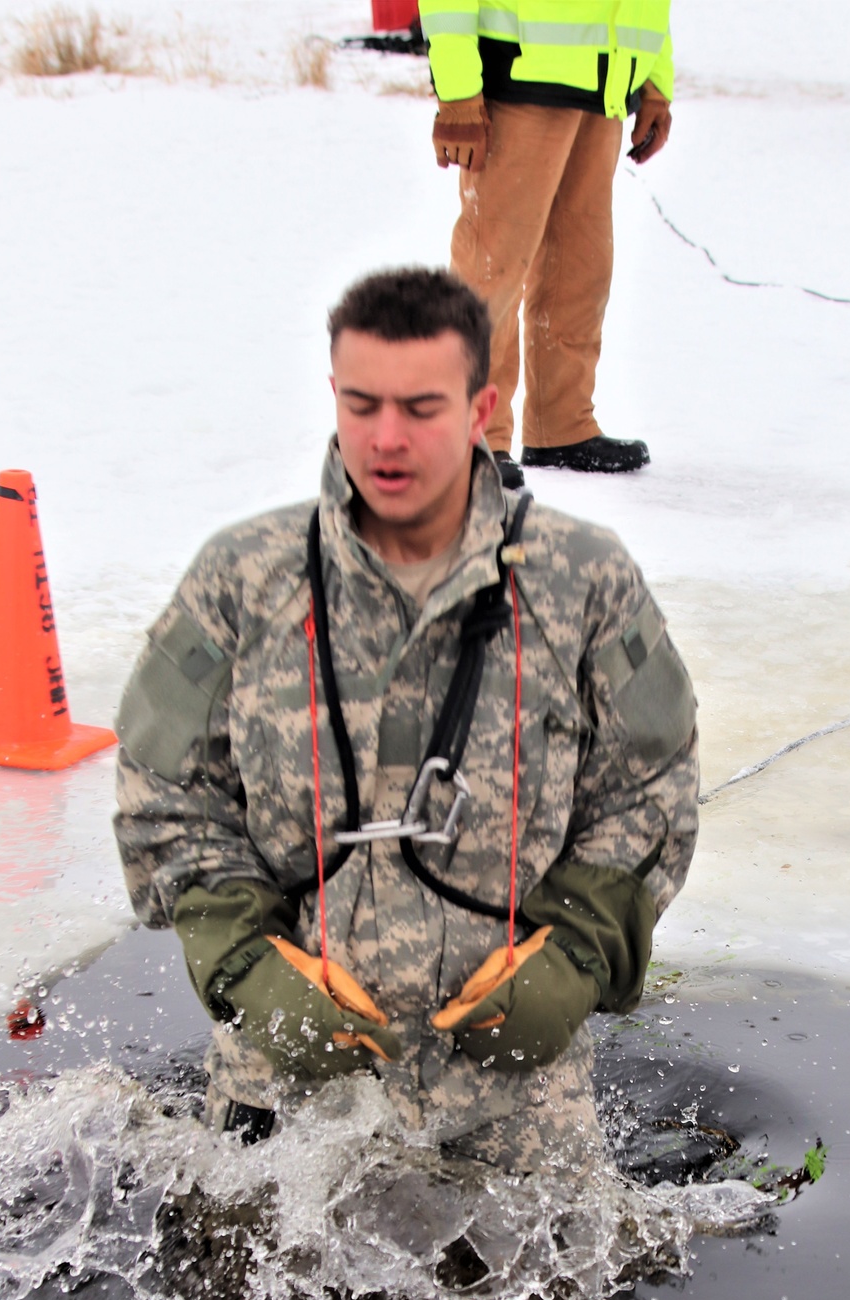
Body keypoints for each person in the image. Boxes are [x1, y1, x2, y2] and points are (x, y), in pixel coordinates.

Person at [113, 267, 698, 1178]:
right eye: (362, 404)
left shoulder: (581, 579)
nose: (386, 439)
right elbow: (165, 798)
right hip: (287, 1091)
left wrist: (578, 954)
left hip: (515, 1097)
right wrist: (246, 970)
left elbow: (651, 788)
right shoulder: (243, 577)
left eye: (422, 407)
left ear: (480, 409)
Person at [418, 0, 673, 488]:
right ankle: (472, 434)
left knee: (582, 265)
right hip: (517, 78)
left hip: (607, 85)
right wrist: (456, 90)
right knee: (491, 265)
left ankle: (561, 425)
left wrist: (655, 78)